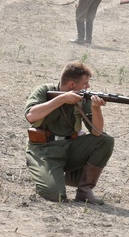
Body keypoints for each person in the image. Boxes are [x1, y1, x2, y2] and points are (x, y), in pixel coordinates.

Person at [24, 61, 115, 204]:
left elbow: (97, 133)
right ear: (72, 85)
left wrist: (96, 108)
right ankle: (48, 177)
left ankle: (84, 191)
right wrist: (61, 99)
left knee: (106, 140)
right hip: (44, 151)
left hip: (70, 147)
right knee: (56, 196)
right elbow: (31, 116)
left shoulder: (82, 98)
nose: (88, 87)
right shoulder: (44, 90)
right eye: (85, 83)